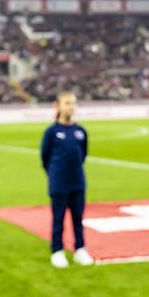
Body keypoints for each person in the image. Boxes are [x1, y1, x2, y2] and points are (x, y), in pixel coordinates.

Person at [40, 92, 94, 268]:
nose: (71, 107)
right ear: (58, 106)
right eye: (67, 103)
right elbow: (45, 157)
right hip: (59, 183)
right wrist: (55, 173)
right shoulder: (51, 132)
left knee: (78, 218)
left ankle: (80, 249)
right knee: (58, 218)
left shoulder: (80, 131)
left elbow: (83, 154)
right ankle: (57, 250)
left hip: (77, 181)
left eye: (73, 103)